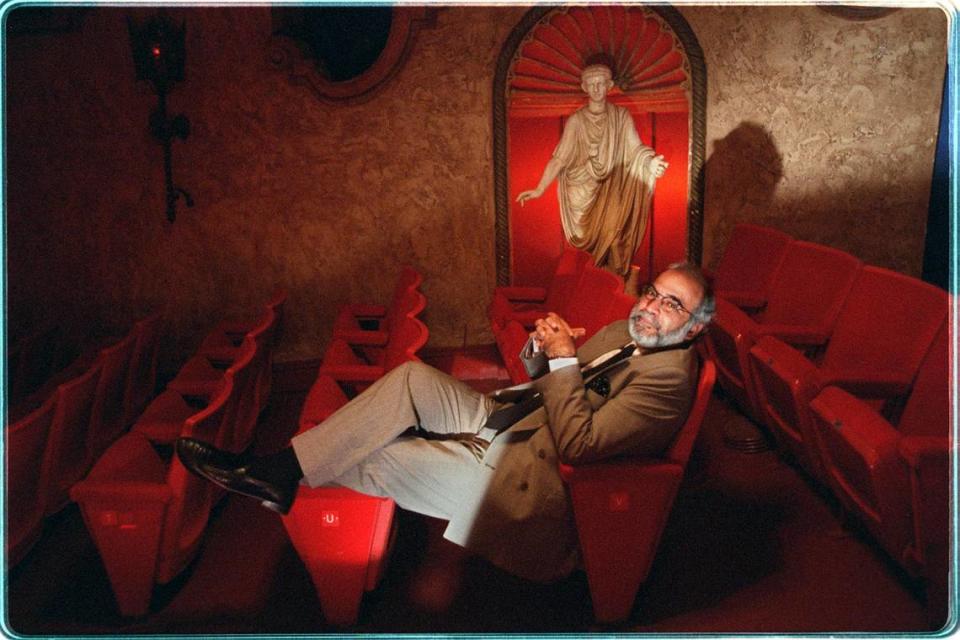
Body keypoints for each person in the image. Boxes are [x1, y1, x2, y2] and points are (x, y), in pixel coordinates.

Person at [176, 262, 715, 582]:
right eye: (652, 292)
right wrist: (542, 346)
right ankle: (280, 469)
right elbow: (543, 375)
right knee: (410, 379)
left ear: (691, 329)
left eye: (672, 305)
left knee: (371, 449)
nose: (651, 307)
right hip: (513, 419)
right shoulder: (629, 332)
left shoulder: (669, 381)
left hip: (527, 480)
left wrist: (565, 358)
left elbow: (578, 442)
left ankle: (277, 473)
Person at [516, 63, 669, 277]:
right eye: (591, 84)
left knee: (614, 239)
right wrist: (539, 189)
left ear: (610, 86)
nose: (596, 89)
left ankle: (612, 288)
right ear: (584, 87)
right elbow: (559, 159)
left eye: (601, 84)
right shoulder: (576, 121)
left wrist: (650, 163)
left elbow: (635, 149)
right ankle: (588, 289)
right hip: (580, 191)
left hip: (612, 187)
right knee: (584, 249)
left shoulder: (621, 117)